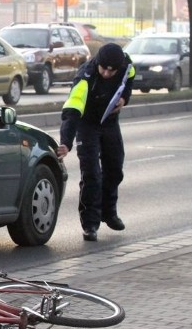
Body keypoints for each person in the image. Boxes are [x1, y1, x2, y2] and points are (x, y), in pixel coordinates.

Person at [57, 43, 135, 242]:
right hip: (87, 124)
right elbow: (72, 111)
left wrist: (124, 100)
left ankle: (109, 212)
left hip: (109, 121)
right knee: (92, 174)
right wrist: (66, 142)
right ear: (98, 63)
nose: (108, 73)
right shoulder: (85, 78)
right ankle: (90, 223)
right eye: (104, 69)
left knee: (115, 168)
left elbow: (129, 79)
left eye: (112, 70)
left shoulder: (126, 65)